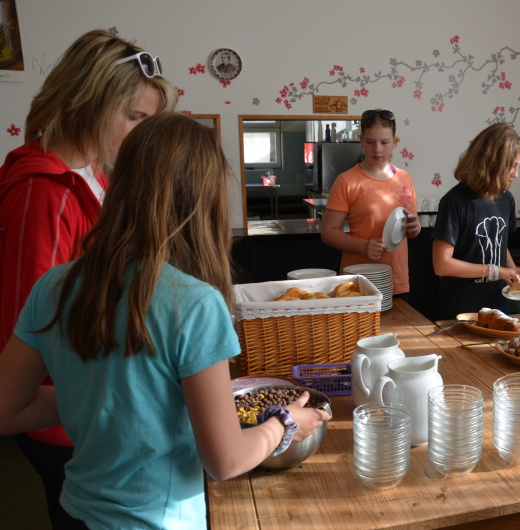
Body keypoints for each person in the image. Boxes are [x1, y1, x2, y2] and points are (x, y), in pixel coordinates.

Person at [0, 112, 331, 529]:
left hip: (75, 514)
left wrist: (100, 397)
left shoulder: (53, 286)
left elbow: (6, 409)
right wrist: (283, 425)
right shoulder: (195, 304)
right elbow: (226, 460)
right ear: (203, 201)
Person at [0, 29, 177, 524]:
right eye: (135, 117)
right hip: (69, 418)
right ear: (88, 102)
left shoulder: (94, 176)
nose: (141, 133)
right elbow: (32, 331)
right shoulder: (45, 193)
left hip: (93, 400)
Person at [431, 122, 520, 320]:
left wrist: (513, 272)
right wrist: (496, 271)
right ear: (493, 163)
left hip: (499, 303)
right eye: (512, 165)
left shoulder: (506, 199)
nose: (516, 174)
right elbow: (442, 265)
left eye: (518, 165)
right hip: (462, 307)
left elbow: (501, 245)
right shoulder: (454, 202)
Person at [321, 109, 421, 298]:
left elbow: (410, 229)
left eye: (384, 142)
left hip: (396, 280)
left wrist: (415, 228)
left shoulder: (405, 179)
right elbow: (328, 233)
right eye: (370, 142)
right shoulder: (346, 181)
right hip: (357, 283)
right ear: (361, 140)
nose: (377, 149)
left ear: (395, 142)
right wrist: (364, 246)